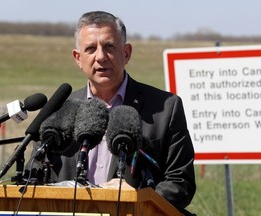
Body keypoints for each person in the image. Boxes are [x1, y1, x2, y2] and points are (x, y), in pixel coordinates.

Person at [25, 11, 196, 215]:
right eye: (90, 49)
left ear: (126, 53)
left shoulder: (165, 107)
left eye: (109, 47)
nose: (100, 57)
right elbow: (33, 177)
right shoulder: (59, 111)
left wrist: (134, 200)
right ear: (78, 58)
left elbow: (180, 183)